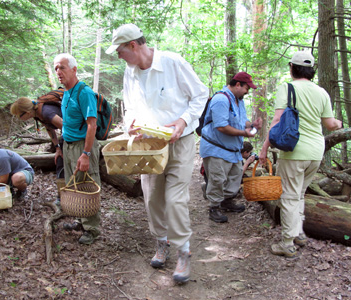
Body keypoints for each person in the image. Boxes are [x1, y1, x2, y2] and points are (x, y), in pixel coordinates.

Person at [106, 23, 209, 283]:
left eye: (119, 50)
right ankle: (161, 242)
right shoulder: (130, 72)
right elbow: (129, 107)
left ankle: (183, 251)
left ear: (133, 45)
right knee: (152, 197)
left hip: (181, 141)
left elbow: (200, 94)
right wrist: (130, 124)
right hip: (149, 146)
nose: (118, 56)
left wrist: (184, 121)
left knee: (175, 198)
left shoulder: (173, 63)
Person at [259, 51, 342, 258]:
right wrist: (339, 123)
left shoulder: (287, 88)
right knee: (300, 193)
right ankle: (300, 233)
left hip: (294, 150)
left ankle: (287, 243)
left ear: (292, 68)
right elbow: (330, 125)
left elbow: (277, 121)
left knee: (289, 195)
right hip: (316, 151)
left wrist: (264, 148)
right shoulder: (322, 92)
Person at [199, 72, 262, 224]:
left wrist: (252, 125)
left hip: (233, 149)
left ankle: (226, 202)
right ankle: (214, 207)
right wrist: (244, 133)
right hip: (216, 148)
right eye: (247, 88)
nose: (248, 91)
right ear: (238, 84)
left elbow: (242, 120)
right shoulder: (221, 99)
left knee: (235, 176)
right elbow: (221, 126)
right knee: (217, 179)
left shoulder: (239, 101)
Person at [53, 53, 101, 245]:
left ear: (73, 69)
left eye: (62, 67)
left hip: (83, 146)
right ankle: (80, 220)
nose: (58, 72)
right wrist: (61, 146)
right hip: (69, 146)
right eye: (56, 68)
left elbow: (92, 125)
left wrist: (86, 154)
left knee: (89, 184)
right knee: (75, 183)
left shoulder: (85, 93)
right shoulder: (66, 93)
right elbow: (67, 124)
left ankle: (92, 229)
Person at [10, 95, 65, 203]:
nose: (19, 119)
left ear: (27, 112)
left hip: (75, 136)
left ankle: (67, 197)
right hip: (66, 137)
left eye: (19, 115)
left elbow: (66, 127)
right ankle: (61, 197)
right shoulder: (38, 114)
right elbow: (49, 128)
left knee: (63, 163)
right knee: (60, 162)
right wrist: (57, 147)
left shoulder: (46, 112)